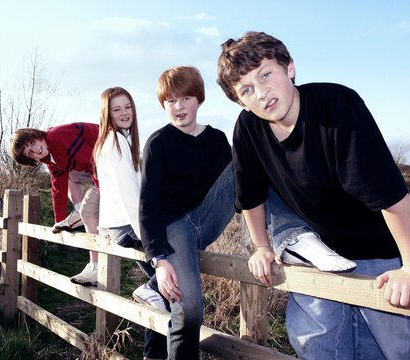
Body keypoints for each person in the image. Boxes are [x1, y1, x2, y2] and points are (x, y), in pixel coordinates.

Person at [217, 31, 410, 359]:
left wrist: (408, 266)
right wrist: (262, 247)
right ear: (239, 101)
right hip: (321, 253)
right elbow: (250, 195)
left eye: (266, 75)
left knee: (392, 349)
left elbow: (390, 195)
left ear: (289, 68)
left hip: (380, 247)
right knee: (319, 346)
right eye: (246, 89)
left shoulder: (337, 107)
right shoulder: (248, 128)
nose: (261, 93)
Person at [139, 65, 322, 359]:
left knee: (245, 161)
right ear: (163, 105)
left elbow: (241, 186)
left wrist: (258, 237)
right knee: (189, 312)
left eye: (185, 98)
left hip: (206, 218)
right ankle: (157, 297)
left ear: (199, 99)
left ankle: (292, 234)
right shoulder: (158, 143)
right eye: (171, 101)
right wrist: (159, 261)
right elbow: (147, 205)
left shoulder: (216, 140)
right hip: (173, 229)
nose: (179, 107)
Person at [93, 86, 168, 360]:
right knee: (166, 283)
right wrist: (152, 244)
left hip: (119, 225)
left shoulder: (116, 140)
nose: (124, 113)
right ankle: (154, 353)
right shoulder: (115, 142)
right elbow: (129, 196)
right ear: (107, 114)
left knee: (166, 293)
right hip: (127, 225)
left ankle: (154, 354)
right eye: (117, 109)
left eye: (128, 107)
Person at [10, 123, 101, 286]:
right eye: (29, 152)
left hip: (111, 155)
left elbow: (91, 162)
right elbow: (58, 187)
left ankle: (96, 267)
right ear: (31, 159)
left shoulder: (57, 136)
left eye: (31, 143)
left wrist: (104, 192)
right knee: (68, 178)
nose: (35, 150)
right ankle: (78, 213)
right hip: (99, 162)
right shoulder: (51, 159)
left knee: (88, 211)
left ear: (36, 135)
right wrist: (60, 220)